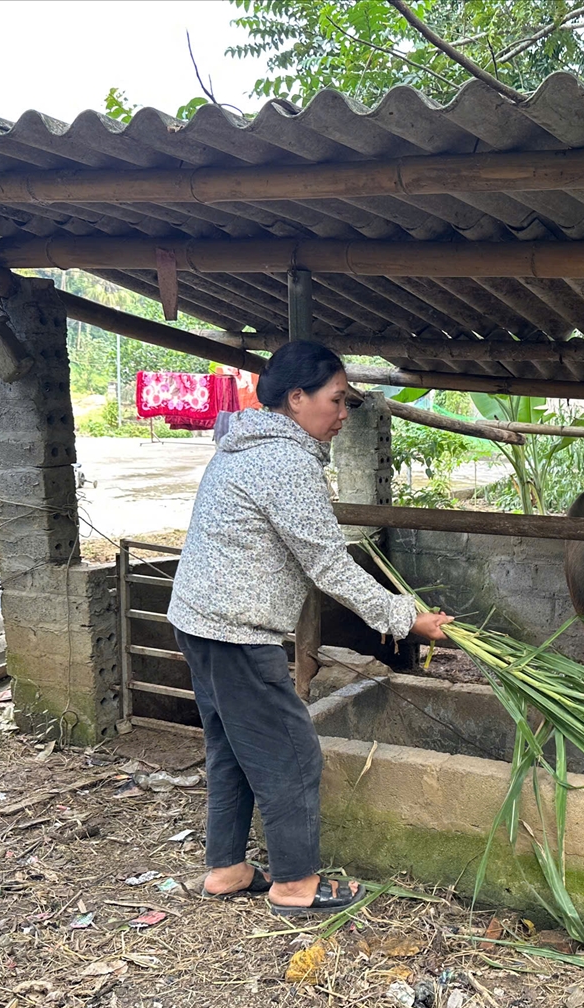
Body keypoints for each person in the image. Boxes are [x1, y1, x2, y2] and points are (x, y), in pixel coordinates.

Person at [167, 341, 452, 915]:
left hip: (196, 622)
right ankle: (295, 884)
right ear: (297, 399)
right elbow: (327, 564)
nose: (344, 414)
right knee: (293, 752)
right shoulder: (286, 463)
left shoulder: (238, 446)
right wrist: (407, 618)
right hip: (235, 633)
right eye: (337, 399)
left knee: (232, 749)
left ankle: (227, 868)